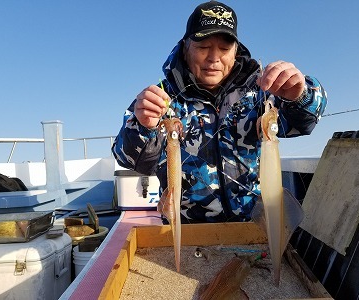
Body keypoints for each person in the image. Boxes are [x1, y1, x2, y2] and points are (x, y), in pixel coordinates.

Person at [112, 1, 327, 223]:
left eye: (224, 49)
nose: (214, 58)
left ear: (235, 51)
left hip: (256, 226)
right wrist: (143, 127)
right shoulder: (162, 99)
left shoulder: (260, 91)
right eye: (203, 47)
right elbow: (129, 160)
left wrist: (301, 94)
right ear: (186, 48)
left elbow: (304, 122)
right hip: (187, 231)